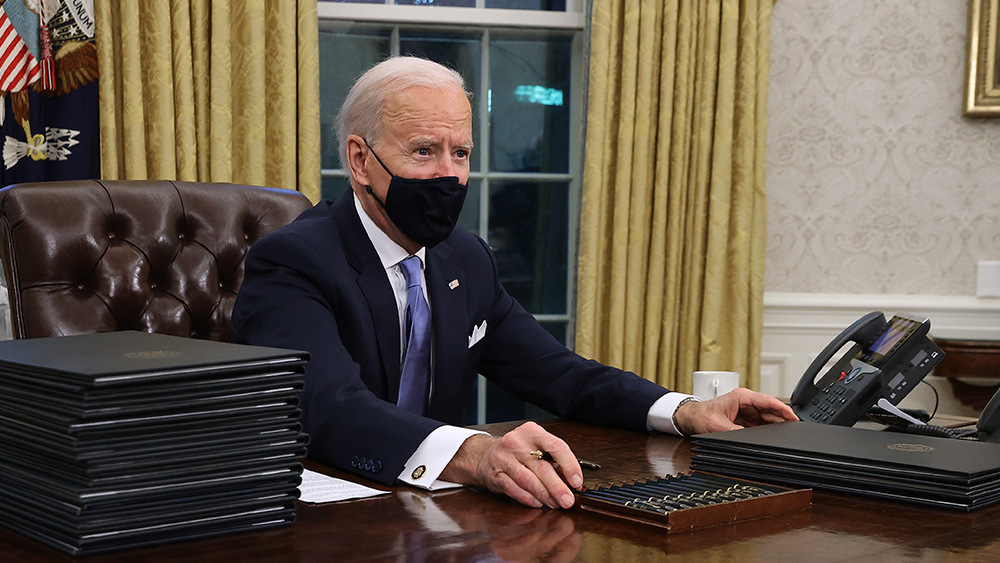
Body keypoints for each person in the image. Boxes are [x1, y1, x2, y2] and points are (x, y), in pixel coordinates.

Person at [230, 56, 798, 510]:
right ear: (360, 160)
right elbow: (329, 408)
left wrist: (685, 411)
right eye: (423, 151)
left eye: (460, 153)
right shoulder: (292, 260)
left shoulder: (465, 258)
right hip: (316, 515)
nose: (449, 175)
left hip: (433, 513)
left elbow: (560, 374)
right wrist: (477, 453)